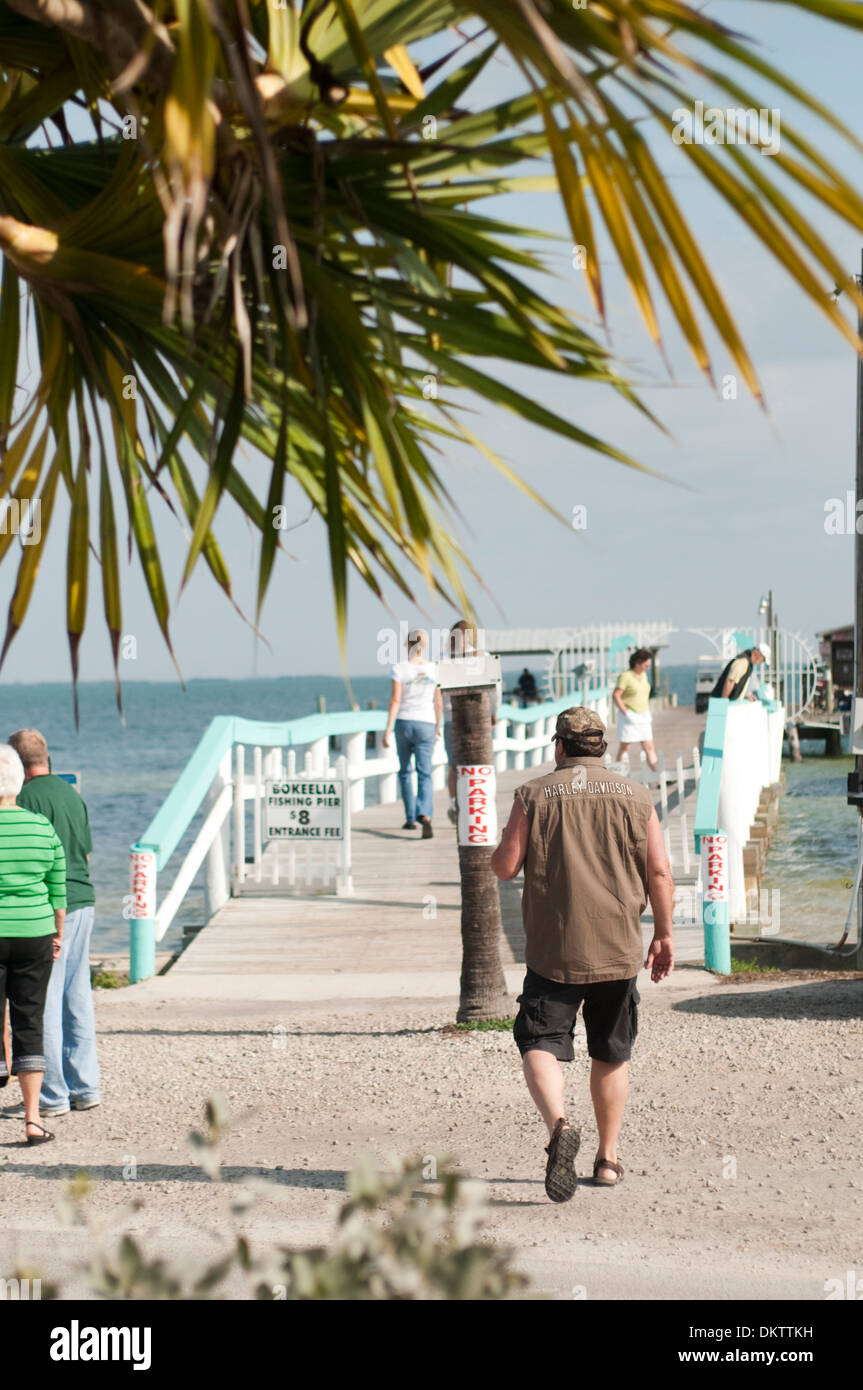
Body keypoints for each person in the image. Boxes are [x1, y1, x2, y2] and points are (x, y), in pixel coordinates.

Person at [491, 707, 674, 1204]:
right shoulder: (636, 796)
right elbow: (658, 872)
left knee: (539, 1038)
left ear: (559, 747)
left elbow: (505, 867)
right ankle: (608, 1160)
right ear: (603, 747)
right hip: (617, 948)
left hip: (555, 950)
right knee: (611, 1051)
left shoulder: (534, 793)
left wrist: (498, 848)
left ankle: (559, 1127)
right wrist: (663, 934)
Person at [10, 729, 100, 1118]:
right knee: (77, 996)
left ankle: (51, 1096)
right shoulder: (71, 795)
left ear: (16, 763)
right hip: (84, 901)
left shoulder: (24, 800)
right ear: (47, 757)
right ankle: (86, 1086)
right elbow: (85, 851)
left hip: (52, 908)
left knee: (42, 1001)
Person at [0, 744, 66, 1145]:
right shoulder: (41, 827)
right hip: (34, 934)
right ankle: (32, 1119)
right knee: (29, 1021)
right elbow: (57, 891)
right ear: (21, 780)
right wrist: (57, 934)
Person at [382, 630, 442, 838]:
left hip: (404, 722)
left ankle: (409, 818)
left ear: (407, 645)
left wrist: (387, 730)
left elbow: (395, 700)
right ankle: (425, 813)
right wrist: (437, 727)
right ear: (424, 646)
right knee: (425, 772)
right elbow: (438, 702)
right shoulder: (434, 669)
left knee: (405, 771)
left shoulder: (400, 669)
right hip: (426, 723)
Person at [442, 620, 501, 825]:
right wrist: (494, 713)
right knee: (481, 763)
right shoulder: (483, 656)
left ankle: (455, 804)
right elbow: (495, 690)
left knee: (454, 765)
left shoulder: (445, 658)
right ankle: (480, 804)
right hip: (480, 719)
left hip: (451, 719)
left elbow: (438, 693)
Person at [613, 647, 658, 772]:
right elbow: (616, 695)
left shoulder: (643, 675)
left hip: (644, 715)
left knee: (649, 746)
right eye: (646, 665)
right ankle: (618, 774)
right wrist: (626, 713)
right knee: (625, 747)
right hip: (629, 715)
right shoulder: (625, 676)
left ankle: (658, 775)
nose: (648, 667)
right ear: (637, 662)